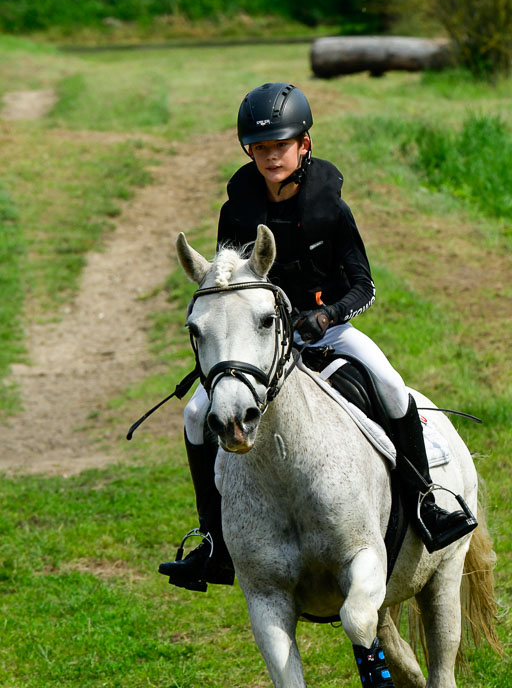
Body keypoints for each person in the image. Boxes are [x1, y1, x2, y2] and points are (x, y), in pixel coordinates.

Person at [159, 82, 476, 591]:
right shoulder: (236, 211)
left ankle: (426, 504)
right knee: (196, 413)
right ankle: (213, 540)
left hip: (329, 333)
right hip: (261, 344)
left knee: (392, 387)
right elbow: (230, 282)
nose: (269, 157)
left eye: (279, 146)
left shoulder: (331, 207)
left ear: (303, 145)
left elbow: (363, 285)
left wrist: (326, 318)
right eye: (260, 148)